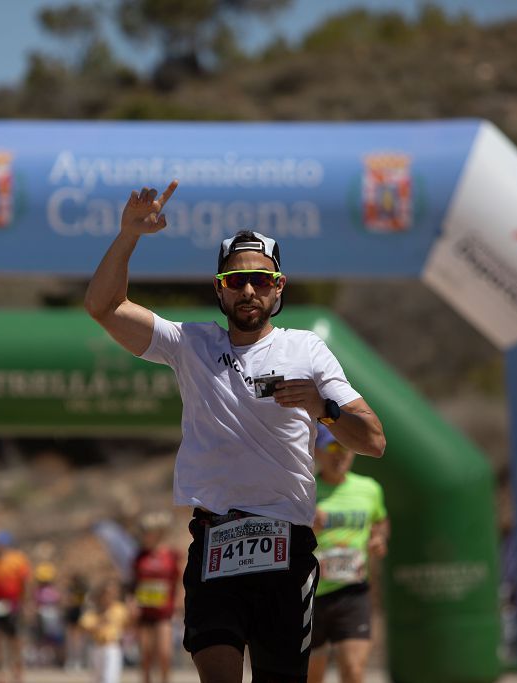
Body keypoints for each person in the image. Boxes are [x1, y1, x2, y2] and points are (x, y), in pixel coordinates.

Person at [84, 180, 386, 683]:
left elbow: (372, 439)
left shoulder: (307, 350)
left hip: (286, 544)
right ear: (219, 287)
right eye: (236, 280)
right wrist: (128, 236)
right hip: (216, 541)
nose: (249, 290)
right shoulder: (190, 344)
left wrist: (321, 406)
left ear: (279, 287)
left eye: (261, 281)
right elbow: (103, 307)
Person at [307, 425, 390, 683]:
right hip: (311, 596)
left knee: (354, 670)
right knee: (312, 676)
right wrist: (305, 524)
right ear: (317, 452)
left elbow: (380, 520)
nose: (340, 453)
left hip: (353, 592)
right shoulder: (306, 490)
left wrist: (379, 538)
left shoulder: (369, 488)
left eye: (346, 447)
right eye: (332, 446)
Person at [132, 511, 183, 683]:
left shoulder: (171, 555)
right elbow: (132, 582)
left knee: (164, 653)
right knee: (145, 655)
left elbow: (179, 581)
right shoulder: (139, 556)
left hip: (164, 611)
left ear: (158, 532)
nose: (144, 535)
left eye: (147, 531)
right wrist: (131, 603)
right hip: (144, 611)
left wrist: (178, 603)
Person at [0, 531, 31, 683]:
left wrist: (25, 603)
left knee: (15, 640)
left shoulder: (18, 560)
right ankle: (0, 674)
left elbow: (25, 583)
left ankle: (17, 672)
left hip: (13, 604)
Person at [79, 579, 131, 683]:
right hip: (97, 646)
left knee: (109, 678)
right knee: (97, 678)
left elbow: (128, 624)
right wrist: (100, 622)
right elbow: (84, 626)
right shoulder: (94, 611)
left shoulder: (119, 609)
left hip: (112, 646)